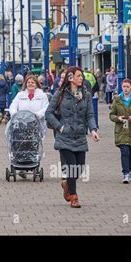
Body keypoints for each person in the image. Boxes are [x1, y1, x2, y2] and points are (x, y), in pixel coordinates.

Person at [45, 67, 100, 208]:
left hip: (80, 136)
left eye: (81, 76)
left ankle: (66, 184)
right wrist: (60, 127)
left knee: (79, 169)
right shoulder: (60, 94)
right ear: (71, 78)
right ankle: (74, 197)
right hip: (64, 136)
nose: (81, 78)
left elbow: (90, 115)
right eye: (78, 76)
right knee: (71, 168)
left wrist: (93, 129)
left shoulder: (86, 95)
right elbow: (49, 114)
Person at [9, 75, 50, 178]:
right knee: (20, 145)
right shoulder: (20, 95)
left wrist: (38, 114)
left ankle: (33, 164)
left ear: (36, 84)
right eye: (28, 82)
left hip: (35, 125)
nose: (30, 84)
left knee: (33, 145)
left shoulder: (42, 96)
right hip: (21, 126)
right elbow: (13, 106)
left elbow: (46, 108)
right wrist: (14, 114)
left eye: (32, 82)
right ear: (25, 84)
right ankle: (20, 164)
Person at [109, 79, 131, 184]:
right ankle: (125, 174)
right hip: (121, 131)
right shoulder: (117, 99)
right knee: (124, 152)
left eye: (127, 86)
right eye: (124, 86)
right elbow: (111, 115)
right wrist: (118, 118)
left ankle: (130, 169)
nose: (125, 89)